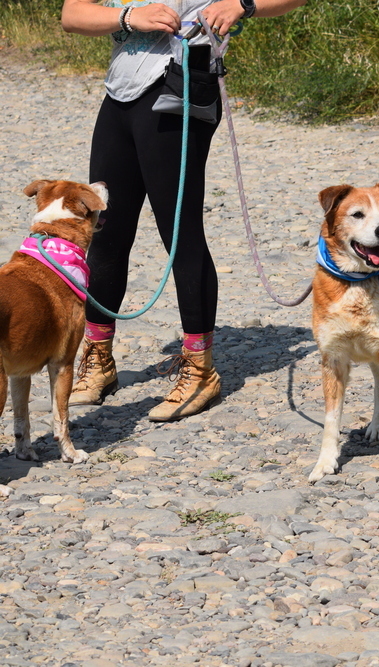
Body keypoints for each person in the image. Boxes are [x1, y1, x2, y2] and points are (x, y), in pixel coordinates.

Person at [60, 0, 306, 421]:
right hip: (119, 94)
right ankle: (99, 360)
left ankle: (200, 370)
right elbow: (71, 15)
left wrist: (243, 5)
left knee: (180, 233)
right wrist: (126, 17)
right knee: (105, 231)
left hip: (180, 88)